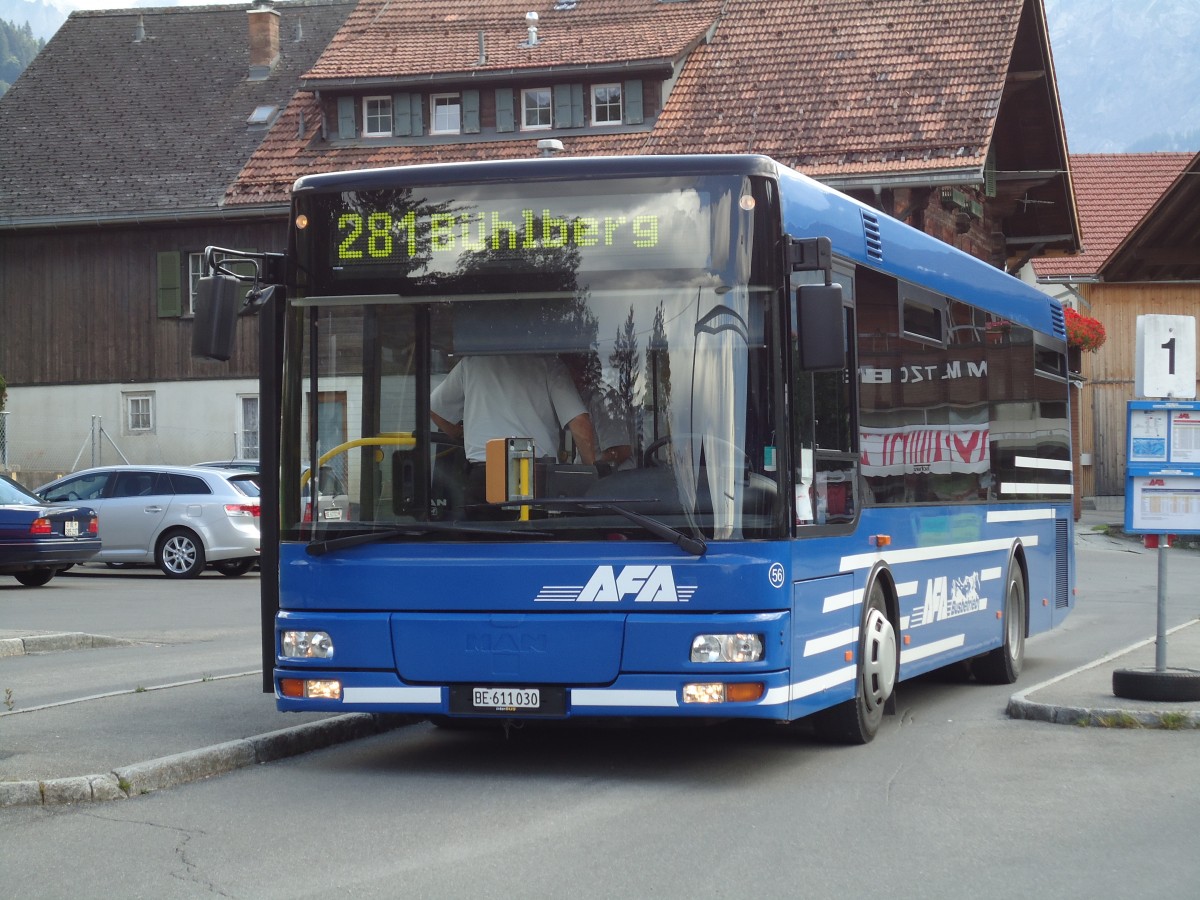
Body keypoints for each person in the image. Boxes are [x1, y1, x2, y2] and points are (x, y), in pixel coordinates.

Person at [430, 354, 598, 468]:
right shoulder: (548, 363)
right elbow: (579, 424)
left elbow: (435, 409)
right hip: (534, 473)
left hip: (483, 474)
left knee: (479, 520)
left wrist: (460, 434)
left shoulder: (471, 362)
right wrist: (592, 475)